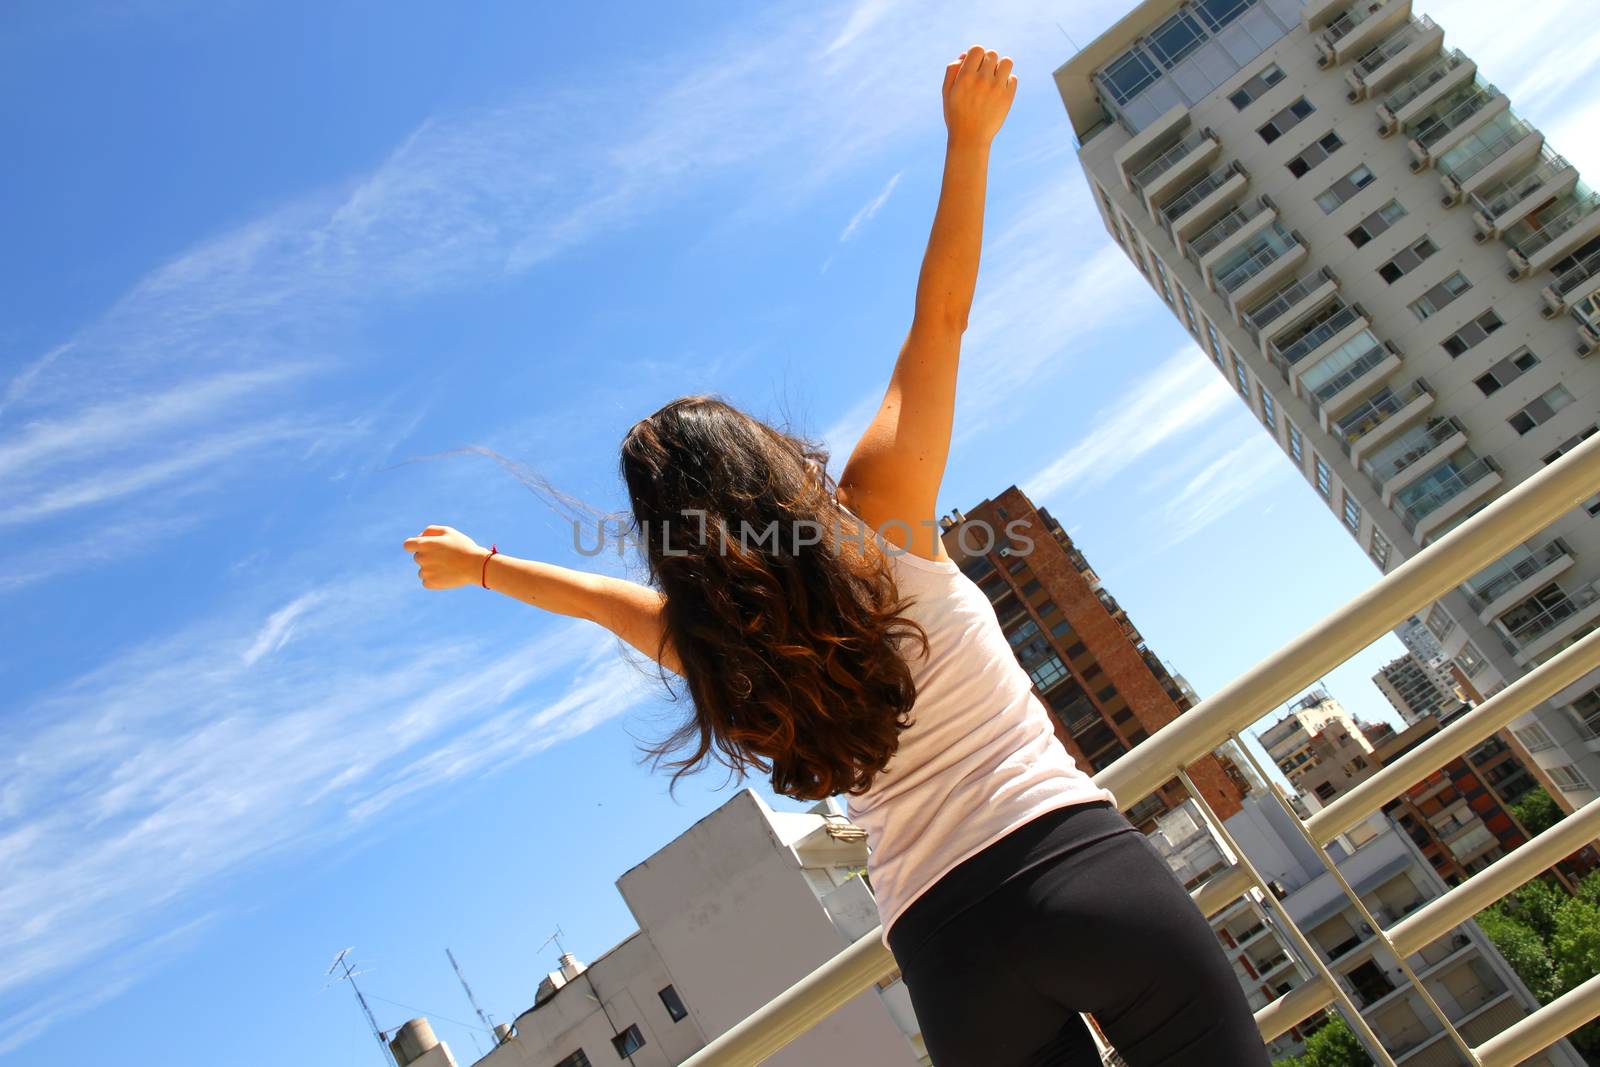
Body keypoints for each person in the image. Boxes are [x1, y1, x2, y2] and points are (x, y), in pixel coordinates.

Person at [403, 46, 1270, 1067]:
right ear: (761, 460)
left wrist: (482, 564)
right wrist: (967, 141)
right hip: (1074, 864)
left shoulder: (719, 651)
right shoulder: (881, 516)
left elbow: (600, 600)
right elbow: (938, 322)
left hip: (949, 952)